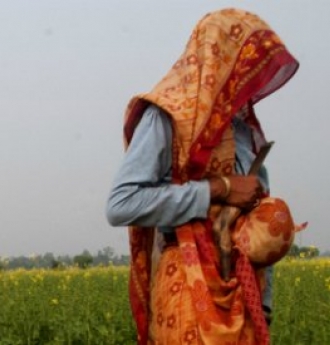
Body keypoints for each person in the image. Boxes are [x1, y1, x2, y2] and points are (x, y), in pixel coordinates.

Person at [106, 8, 300, 345]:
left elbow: (255, 220)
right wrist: (218, 189)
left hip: (243, 295)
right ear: (217, 58)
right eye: (242, 65)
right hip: (187, 288)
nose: (246, 80)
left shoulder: (244, 133)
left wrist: (263, 305)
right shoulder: (167, 117)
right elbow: (122, 203)